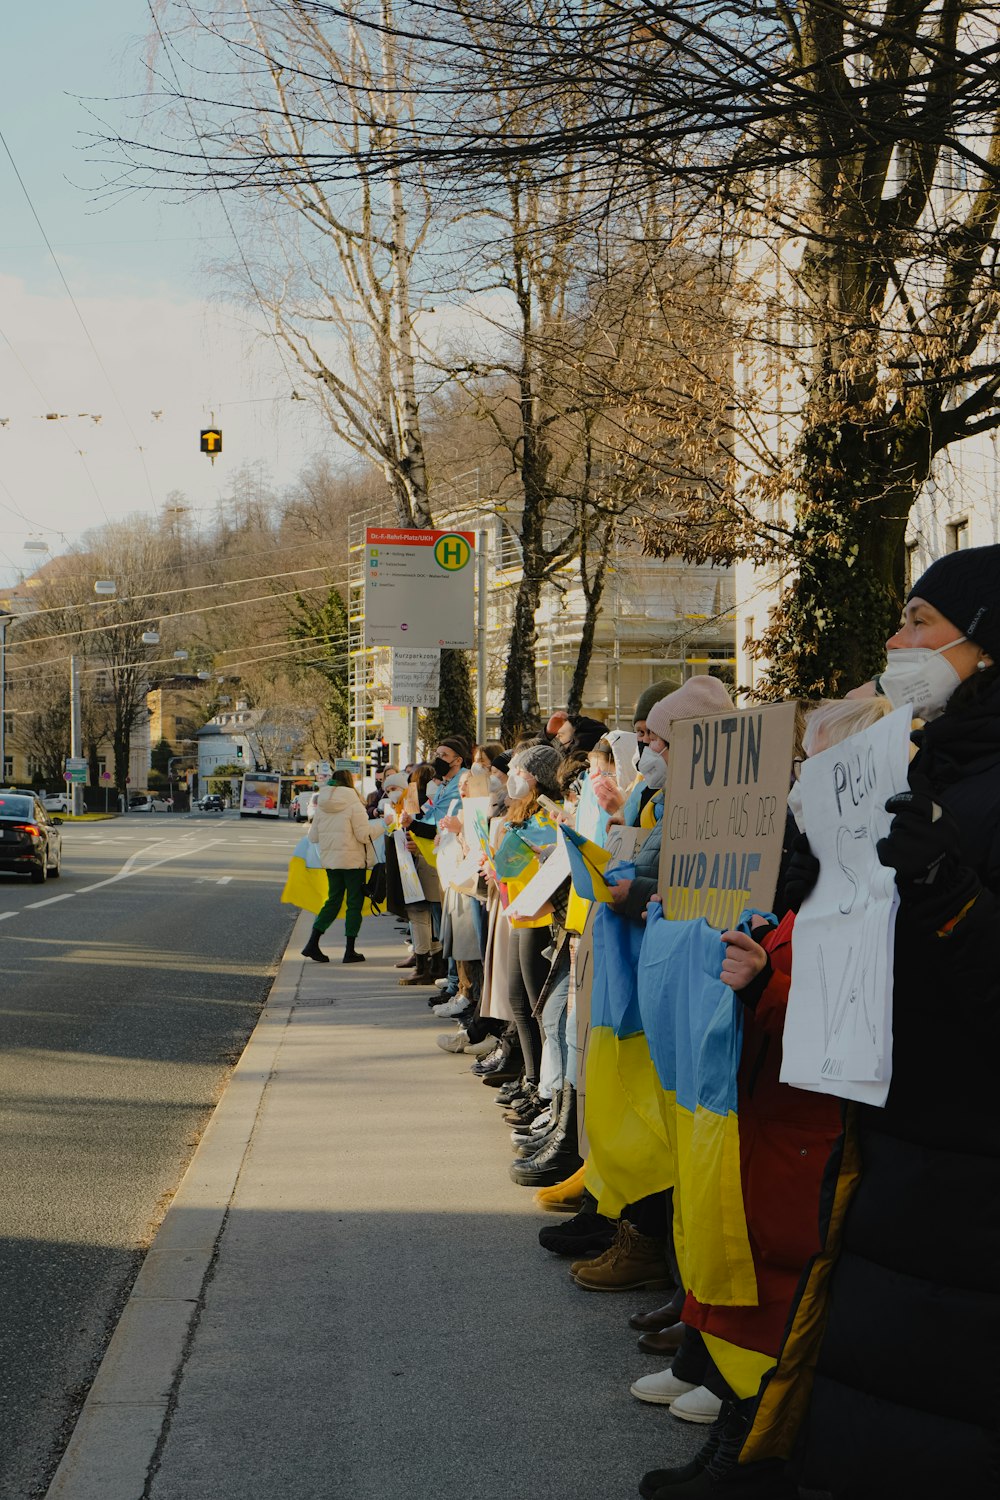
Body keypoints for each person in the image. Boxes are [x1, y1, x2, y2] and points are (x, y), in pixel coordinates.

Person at [742, 544, 1000, 1497]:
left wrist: (951, 892)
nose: (896, 641)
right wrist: (798, 917)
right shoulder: (914, 767)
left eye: (921, 621)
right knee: (874, 1399)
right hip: (894, 1144)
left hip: (969, 1177)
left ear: (987, 645)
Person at [301, 769, 384, 964]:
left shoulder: (322, 804)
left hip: (331, 861)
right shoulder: (354, 802)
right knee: (354, 903)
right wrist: (384, 824)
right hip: (353, 861)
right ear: (349, 782)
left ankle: (312, 943)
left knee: (333, 900)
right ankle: (349, 950)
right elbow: (364, 835)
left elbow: (313, 836)